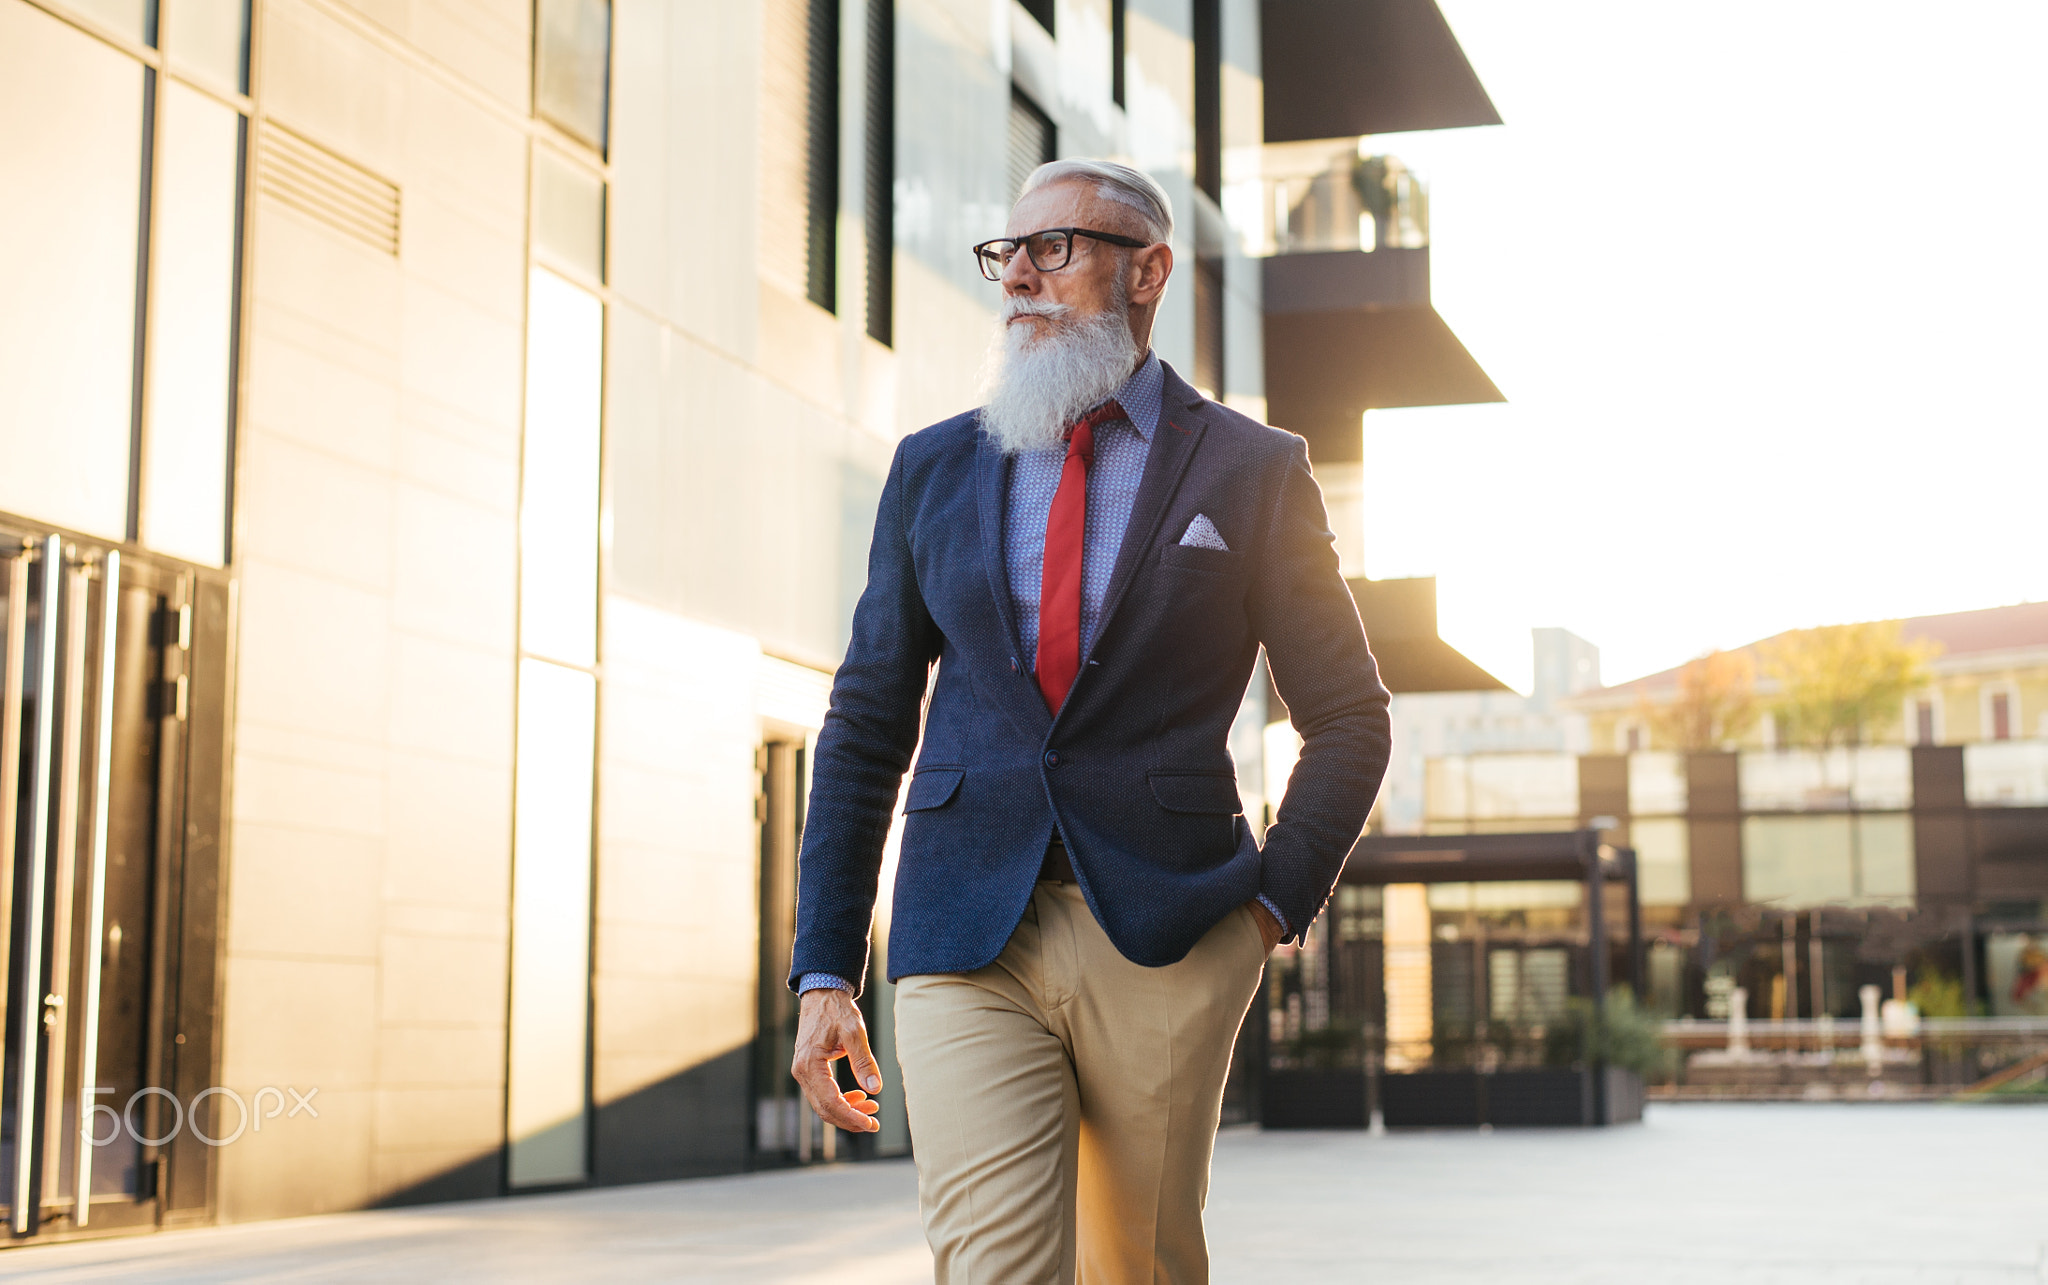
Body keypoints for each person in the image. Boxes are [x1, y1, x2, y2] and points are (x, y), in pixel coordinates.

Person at [786, 158, 1391, 1283]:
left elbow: (1349, 716)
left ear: (1147, 270)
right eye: (1004, 252)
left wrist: (1264, 911)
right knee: (992, 1267)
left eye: (1052, 248)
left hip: (1169, 926)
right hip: (964, 931)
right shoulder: (931, 469)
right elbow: (867, 719)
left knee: (1141, 1264)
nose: (1016, 274)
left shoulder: (1252, 472)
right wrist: (825, 966)